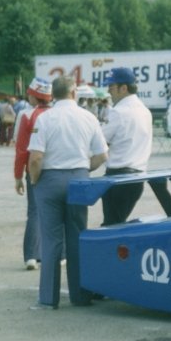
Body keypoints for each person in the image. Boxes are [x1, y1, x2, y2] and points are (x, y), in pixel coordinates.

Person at [28, 77, 108, 309]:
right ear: (74, 93)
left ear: (53, 94)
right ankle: (80, 295)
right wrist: (84, 169)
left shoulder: (45, 119)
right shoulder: (89, 117)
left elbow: (35, 158)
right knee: (77, 236)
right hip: (79, 178)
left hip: (50, 179)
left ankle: (48, 298)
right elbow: (102, 155)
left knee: (51, 240)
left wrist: (35, 181)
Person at [100, 67, 153, 226]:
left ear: (124, 88)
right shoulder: (145, 111)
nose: (109, 91)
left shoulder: (119, 112)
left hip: (118, 177)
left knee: (111, 227)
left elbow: (100, 142)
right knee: (117, 224)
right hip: (137, 177)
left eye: (111, 87)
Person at [13, 77, 53, 270]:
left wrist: (17, 175)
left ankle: (31, 255)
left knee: (34, 211)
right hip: (54, 168)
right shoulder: (56, 114)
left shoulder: (27, 115)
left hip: (33, 169)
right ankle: (56, 254)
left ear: (35, 95)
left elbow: (21, 150)